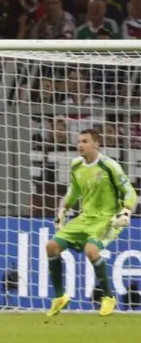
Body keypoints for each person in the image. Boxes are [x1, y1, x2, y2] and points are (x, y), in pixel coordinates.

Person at [46, 128, 137, 317]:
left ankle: (108, 297)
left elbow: (130, 191)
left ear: (96, 144)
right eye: (79, 141)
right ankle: (59, 297)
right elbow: (73, 192)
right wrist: (62, 210)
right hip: (85, 217)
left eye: (85, 141)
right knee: (51, 246)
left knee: (91, 250)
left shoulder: (109, 165)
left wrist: (126, 212)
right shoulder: (76, 165)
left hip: (106, 218)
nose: (80, 145)